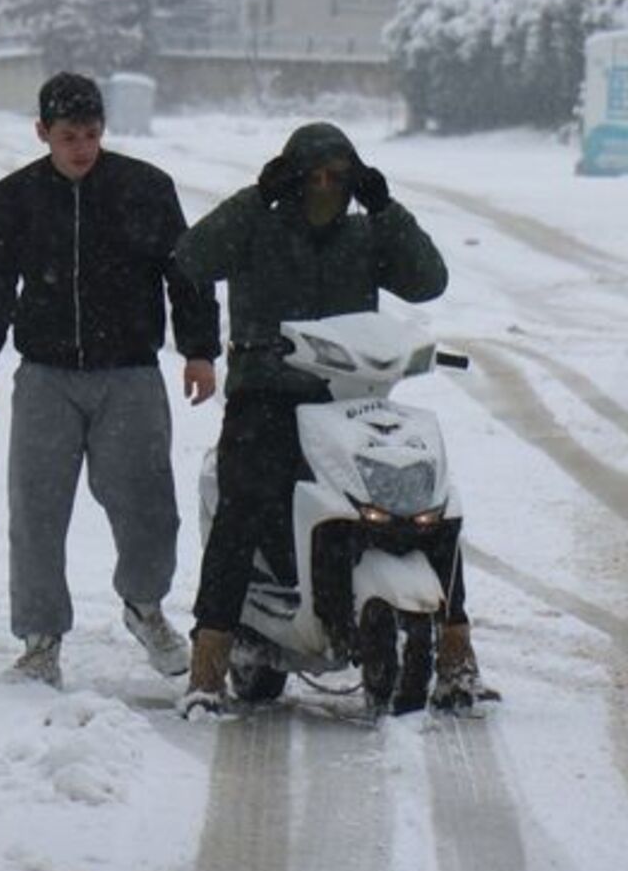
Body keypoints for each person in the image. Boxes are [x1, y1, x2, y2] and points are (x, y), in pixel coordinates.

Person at [172, 121, 494, 715]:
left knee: (431, 506)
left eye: (338, 178)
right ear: (290, 178)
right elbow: (191, 256)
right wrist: (256, 195)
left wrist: (386, 207)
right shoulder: (256, 227)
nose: (325, 187)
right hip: (265, 398)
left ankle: (457, 657)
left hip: (351, 398)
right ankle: (207, 669)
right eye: (312, 176)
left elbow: (429, 280)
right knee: (242, 508)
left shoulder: (364, 235)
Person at [0, 72, 221, 689]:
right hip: (46, 377)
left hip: (130, 374)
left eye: (92, 134)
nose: (81, 148)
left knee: (148, 508)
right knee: (37, 511)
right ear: (42, 132)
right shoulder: (13, 199)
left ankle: (145, 606)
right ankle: (40, 641)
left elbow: (187, 274)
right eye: (68, 136)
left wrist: (200, 351)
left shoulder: (145, 189)